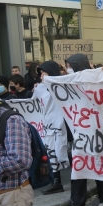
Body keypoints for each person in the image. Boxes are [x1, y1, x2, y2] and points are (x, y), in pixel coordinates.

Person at [60, 54, 103, 206]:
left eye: (70, 66)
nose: (68, 69)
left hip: (97, 131)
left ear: (78, 66)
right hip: (80, 132)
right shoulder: (69, 83)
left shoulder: (95, 80)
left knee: (99, 163)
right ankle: (77, 204)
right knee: (79, 166)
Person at [37, 61, 67, 195]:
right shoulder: (39, 88)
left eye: (45, 73)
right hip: (48, 125)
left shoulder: (62, 86)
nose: (42, 76)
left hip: (62, 125)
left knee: (62, 152)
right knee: (52, 153)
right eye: (41, 74)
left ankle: (79, 177)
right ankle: (57, 182)